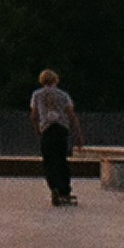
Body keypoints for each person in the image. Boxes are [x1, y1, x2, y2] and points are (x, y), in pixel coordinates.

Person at [29, 69, 84, 207]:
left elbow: (34, 115)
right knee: (61, 159)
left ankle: (53, 186)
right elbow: (71, 115)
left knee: (49, 160)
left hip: (46, 129)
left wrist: (38, 130)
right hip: (61, 129)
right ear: (55, 80)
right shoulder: (63, 95)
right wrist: (78, 135)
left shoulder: (37, 95)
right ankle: (64, 189)